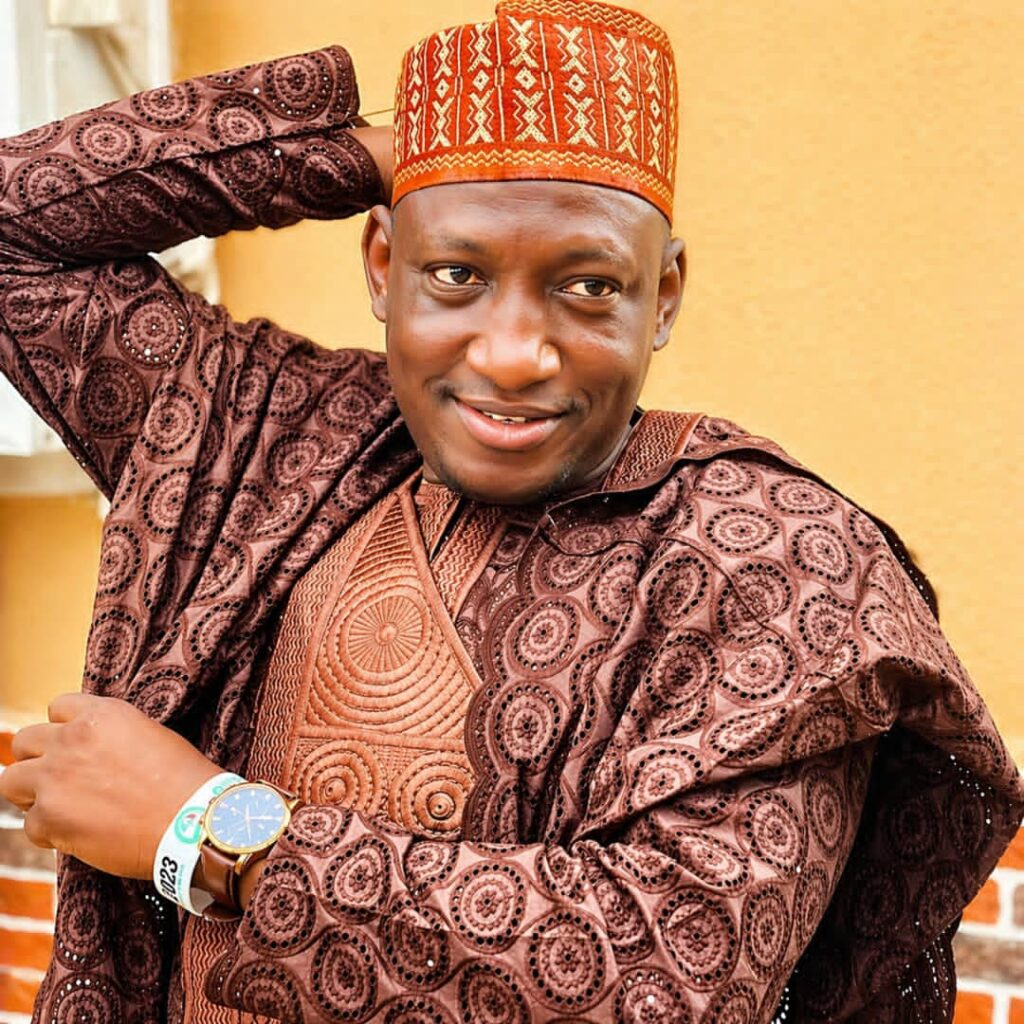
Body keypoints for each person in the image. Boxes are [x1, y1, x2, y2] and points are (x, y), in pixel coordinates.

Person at [0, 1, 1020, 1022]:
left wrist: (207, 830)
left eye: (588, 286)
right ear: (381, 265)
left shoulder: (773, 562)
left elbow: (672, 983)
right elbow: (16, 231)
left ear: (663, 294)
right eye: (455, 273)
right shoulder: (261, 434)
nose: (512, 354)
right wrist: (365, 154)